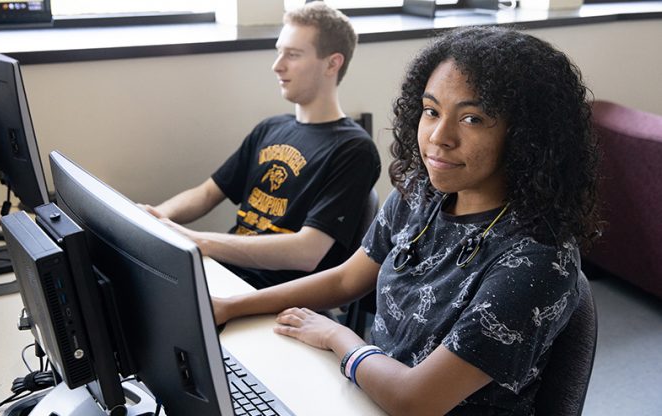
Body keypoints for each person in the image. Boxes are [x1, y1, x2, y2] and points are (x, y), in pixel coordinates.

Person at [212, 25, 600, 415]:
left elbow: (415, 401)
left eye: (472, 119)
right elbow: (348, 279)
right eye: (431, 111)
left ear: (526, 136)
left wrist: (337, 336)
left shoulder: (539, 258)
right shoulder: (422, 192)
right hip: (364, 393)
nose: (439, 136)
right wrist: (233, 306)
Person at [141, 2, 380, 289]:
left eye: (292, 55)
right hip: (223, 274)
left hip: (270, 293)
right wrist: (152, 218)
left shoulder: (354, 149)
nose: (277, 66)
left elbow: (308, 252)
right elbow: (206, 194)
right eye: (279, 52)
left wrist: (197, 241)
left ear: (332, 63)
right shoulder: (270, 128)